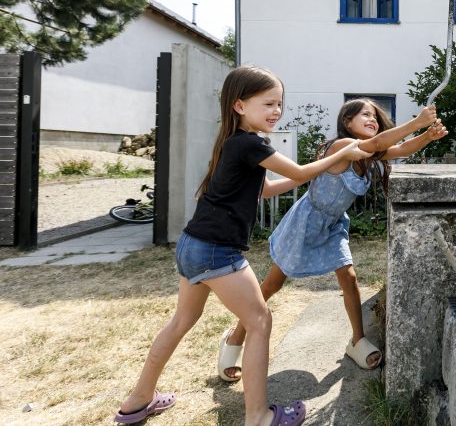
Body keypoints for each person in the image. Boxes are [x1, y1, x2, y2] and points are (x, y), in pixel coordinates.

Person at [115, 66, 370, 426]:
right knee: (260, 320)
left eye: (279, 104)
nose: (276, 111)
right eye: (268, 103)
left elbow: (265, 188)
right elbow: (298, 172)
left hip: (193, 245)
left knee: (181, 321)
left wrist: (306, 181)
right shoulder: (251, 143)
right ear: (239, 105)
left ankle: (137, 401)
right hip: (218, 251)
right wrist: (347, 154)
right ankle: (259, 416)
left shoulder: (233, 142)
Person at [218, 98, 447, 380]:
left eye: (375, 116)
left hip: (333, 225)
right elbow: (376, 145)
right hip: (306, 222)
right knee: (272, 284)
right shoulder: (341, 146)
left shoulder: (369, 156)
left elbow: (398, 149)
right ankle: (235, 337)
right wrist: (416, 122)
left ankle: (357, 340)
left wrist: (426, 136)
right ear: (347, 122)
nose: (372, 119)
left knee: (349, 277)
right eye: (364, 114)